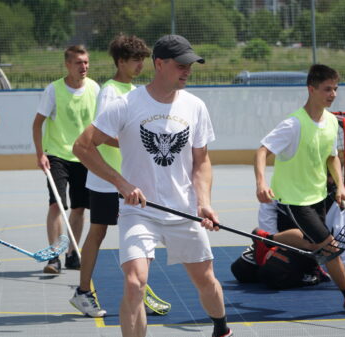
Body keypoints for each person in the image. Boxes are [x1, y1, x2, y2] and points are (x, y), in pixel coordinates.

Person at [73, 35, 232, 337]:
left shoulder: (195, 106)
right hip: (139, 212)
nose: (188, 70)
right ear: (159, 64)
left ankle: (221, 328)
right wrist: (121, 183)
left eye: (191, 65)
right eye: (181, 64)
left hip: (183, 210)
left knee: (206, 280)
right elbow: (82, 146)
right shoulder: (126, 104)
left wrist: (204, 201)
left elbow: (201, 162)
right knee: (134, 283)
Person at [253, 64, 345, 316]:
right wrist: (261, 183)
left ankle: (265, 239)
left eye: (335, 89)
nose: (333, 94)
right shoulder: (293, 124)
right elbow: (262, 150)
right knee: (328, 246)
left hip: (317, 195)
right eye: (327, 89)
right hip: (293, 198)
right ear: (311, 89)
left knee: (309, 242)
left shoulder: (330, 122)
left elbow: (332, 158)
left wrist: (340, 186)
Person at [70, 34, 151, 317]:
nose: (140, 65)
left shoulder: (135, 89)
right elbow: (102, 137)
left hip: (127, 177)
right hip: (107, 179)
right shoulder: (110, 91)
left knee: (140, 231)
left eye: (143, 59)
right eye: (134, 60)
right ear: (120, 61)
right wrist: (136, 140)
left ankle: (140, 286)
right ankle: (82, 292)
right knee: (99, 233)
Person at [32, 45, 100, 274]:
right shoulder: (54, 90)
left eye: (86, 62)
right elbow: (37, 123)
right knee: (56, 204)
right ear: (68, 65)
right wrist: (40, 153)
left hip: (84, 155)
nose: (84, 67)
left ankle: (72, 253)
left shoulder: (95, 89)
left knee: (80, 207)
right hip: (57, 155)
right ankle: (54, 256)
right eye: (79, 62)